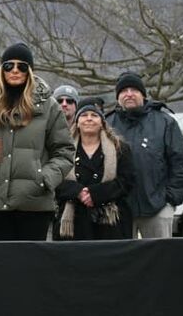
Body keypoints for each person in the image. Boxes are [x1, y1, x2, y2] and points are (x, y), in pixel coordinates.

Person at [0, 43, 75, 240]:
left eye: (22, 66)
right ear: (2, 70)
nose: (15, 70)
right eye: (9, 66)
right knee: (4, 266)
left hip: (34, 202)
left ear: (30, 71)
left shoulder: (49, 107)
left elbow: (64, 151)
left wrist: (44, 180)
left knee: (32, 266)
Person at [108, 72, 183, 239]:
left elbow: (182, 164)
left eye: (134, 90)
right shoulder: (107, 124)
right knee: (123, 263)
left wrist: (170, 200)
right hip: (119, 210)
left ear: (143, 94)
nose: (129, 94)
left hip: (158, 208)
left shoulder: (164, 122)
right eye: (124, 91)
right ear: (118, 97)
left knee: (160, 261)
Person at [54, 98, 136, 240]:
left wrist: (96, 194)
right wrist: (77, 192)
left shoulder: (120, 148)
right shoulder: (63, 148)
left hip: (111, 223)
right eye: (84, 116)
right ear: (77, 122)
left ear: (102, 122)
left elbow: (127, 181)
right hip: (73, 222)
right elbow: (55, 178)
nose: (89, 119)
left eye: (94, 115)